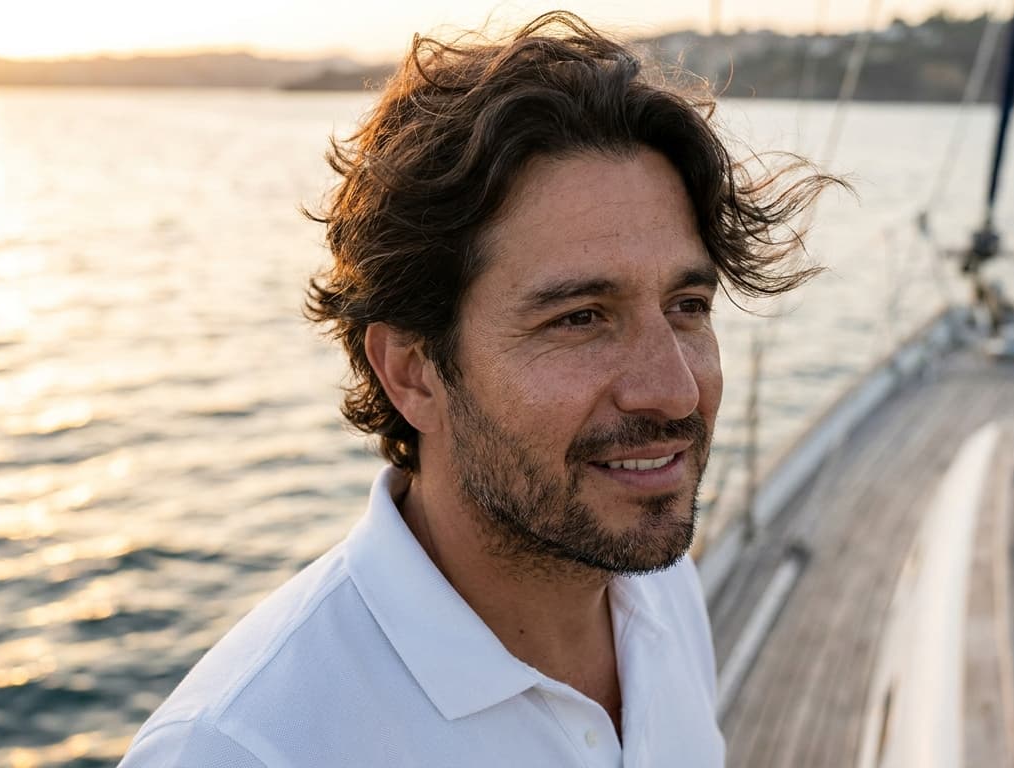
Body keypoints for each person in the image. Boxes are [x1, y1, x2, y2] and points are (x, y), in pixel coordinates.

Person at [120, 11, 833, 767]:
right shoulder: (240, 748)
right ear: (412, 372)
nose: (675, 392)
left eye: (687, 306)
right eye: (581, 318)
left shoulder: (658, 589)